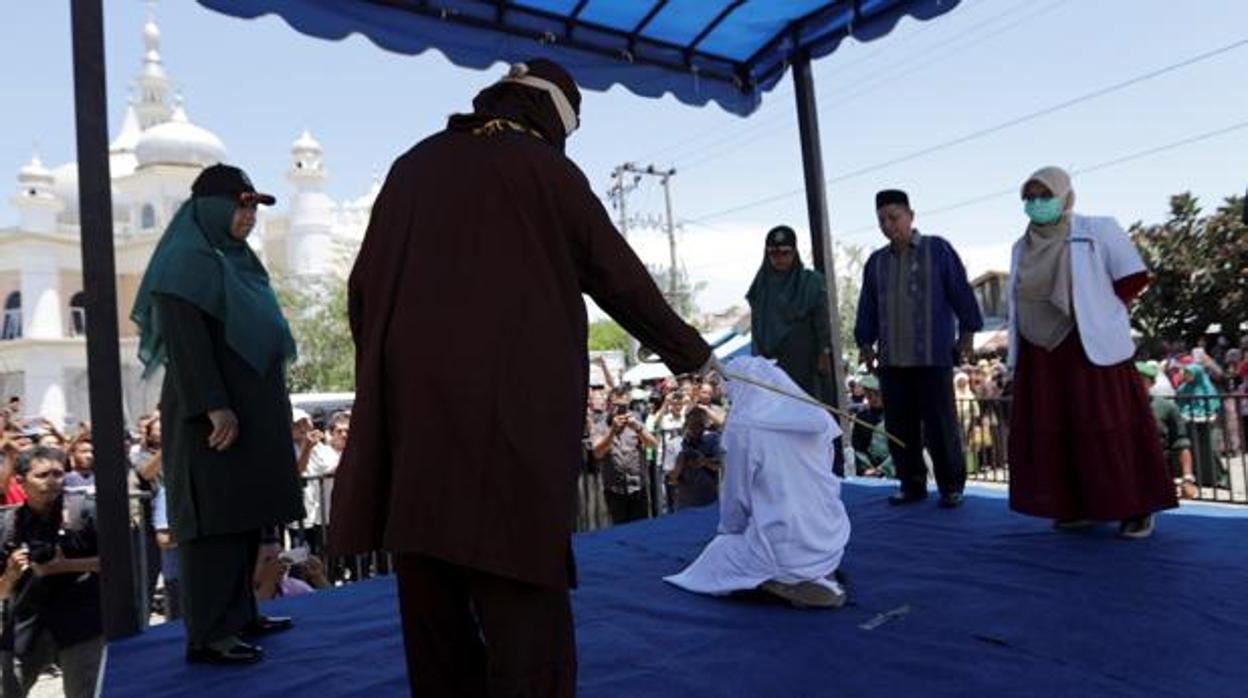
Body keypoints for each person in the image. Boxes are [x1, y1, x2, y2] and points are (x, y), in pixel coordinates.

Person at [329, 58, 713, 697]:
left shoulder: (411, 166)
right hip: (506, 433)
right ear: (550, 117)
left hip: (414, 436)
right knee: (522, 608)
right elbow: (620, 278)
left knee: (432, 614)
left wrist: (400, 380)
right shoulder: (545, 170)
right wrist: (692, 354)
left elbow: (362, 295)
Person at [130, 163, 304, 664]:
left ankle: (241, 614)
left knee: (243, 515)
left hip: (246, 412)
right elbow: (186, 345)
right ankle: (208, 633)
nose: (249, 216)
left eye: (253, 207)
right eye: (241, 205)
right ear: (211, 207)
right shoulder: (184, 262)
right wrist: (215, 405)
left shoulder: (235, 261)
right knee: (214, 525)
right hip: (211, 420)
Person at [1005, 166, 1175, 538]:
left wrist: (1096, 311)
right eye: (1029, 198)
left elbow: (1132, 279)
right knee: (1059, 432)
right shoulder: (1022, 246)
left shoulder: (1097, 230)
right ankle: (1076, 505)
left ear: (1064, 195)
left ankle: (1135, 506)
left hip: (1089, 349)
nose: (1036, 204)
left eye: (1043, 195)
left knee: (1108, 428)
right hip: (1042, 353)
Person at [665, 357, 850, 609]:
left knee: (718, 555)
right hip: (831, 538)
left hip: (785, 546)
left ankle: (784, 581)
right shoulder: (815, 414)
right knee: (781, 536)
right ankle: (818, 572)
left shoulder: (744, 428)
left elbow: (736, 499)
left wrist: (729, 532)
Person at [854, 189, 984, 508]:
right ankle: (911, 485)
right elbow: (867, 308)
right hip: (892, 360)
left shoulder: (937, 250)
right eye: (882, 220)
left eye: (894, 217)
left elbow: (961, 293)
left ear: (911, 215)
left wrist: (967, 335)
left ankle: (951, 486)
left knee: (940, 424)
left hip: (932, 356)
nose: (888, 225)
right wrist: (865, 344)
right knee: (899, 426)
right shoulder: (876, 263)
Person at [0, 447, 102, 698]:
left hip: (80, 622)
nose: (53, 481)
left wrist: (63, 566)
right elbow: (1, 591)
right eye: (43, 475)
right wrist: (12, 573)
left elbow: (114, 563)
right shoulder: (8, 524)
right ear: (20, 481)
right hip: (27, 624)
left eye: (58, 473)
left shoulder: (83, 511)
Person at [746, 225, 843, 474]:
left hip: (806, 363)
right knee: (778, 426)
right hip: (773, 367)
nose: (779, 259)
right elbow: (757, 328)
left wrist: (824, 353)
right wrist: (757, 366)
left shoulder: (810, 282)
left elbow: (824, 323)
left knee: (811, 420)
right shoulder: (761, 285)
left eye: (785, 253)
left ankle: (824, 473)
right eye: (773, 253)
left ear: (795, 253)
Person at [590, 387, 658, 525]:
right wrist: (612, 431)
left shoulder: (636, 420)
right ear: (609, 404)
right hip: (614, 490)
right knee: (619, 532)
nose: (620, 410)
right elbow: (597, 453)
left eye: (624, 406)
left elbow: (653, 445)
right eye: (617, 405)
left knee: (641, 529)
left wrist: (638, 429)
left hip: (638, 488)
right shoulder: (600, 426)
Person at [1137, 363, 1198, 499]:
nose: (1134, 384)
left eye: (1141, 380)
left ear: (1151, 383)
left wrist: (1187, 478)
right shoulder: (1114, 409)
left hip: (1156, 473)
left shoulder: (1166, 407)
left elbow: (1181, 443)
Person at [1176, 363, 1225, 489]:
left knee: (1211, 450)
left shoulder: (1206, 387)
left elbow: (1213, 404)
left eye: (1189, 373)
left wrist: (1209, 414)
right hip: (1189, 422)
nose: (1186, 376)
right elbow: (1179, 404)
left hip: (1207, 423)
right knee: (1193, 450)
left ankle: (1217, 478)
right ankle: (1197, 477)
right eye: (1185, 373)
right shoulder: (1183, 388)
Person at [665, 407, 723, 510]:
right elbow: (671, 480)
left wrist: (704, 462)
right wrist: (679, 465)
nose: (696, 430)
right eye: (693, 426)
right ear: (686, 424)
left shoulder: (713, 440)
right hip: (685, 504)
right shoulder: (674, 444)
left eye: (700, 426)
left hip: (710, 501)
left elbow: (720, 466)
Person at [850, 375, 893, 478]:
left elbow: (904, 448)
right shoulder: (862, 417)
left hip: (894, 470)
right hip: (869, 471)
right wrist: (867, 468)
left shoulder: (898, 415)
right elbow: (857, 447)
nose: (873, 398)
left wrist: (882, 469)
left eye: (877, 394)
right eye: (869, 395)